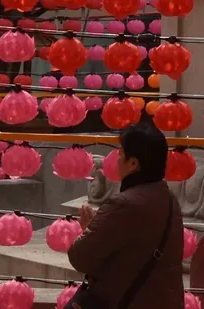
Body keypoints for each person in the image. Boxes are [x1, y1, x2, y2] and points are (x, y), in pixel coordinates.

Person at [66, 124, 185, 309]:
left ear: (133, 163)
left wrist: (88, 230)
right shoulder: (169, 199)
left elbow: (80, 257)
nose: (117, 160)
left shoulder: (123, 205)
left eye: (120, 154)